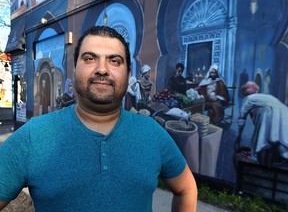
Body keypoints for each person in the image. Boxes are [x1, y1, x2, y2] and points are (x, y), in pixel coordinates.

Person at [0, 26, 197, 211]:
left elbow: (186, 188)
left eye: (114, 61)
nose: (102, 69)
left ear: (128, 74)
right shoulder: (35, 135)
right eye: (89, 58)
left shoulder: (152, 133)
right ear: (75, 68)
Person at [236, 81, 288, 166]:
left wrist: (239, 135)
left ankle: (263, 166)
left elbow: (242, 116)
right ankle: (269, 165)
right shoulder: (267, 96)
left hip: (268, 117)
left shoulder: (248, 98)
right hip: (284, 115)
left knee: (263, 143)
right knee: (276, 141)